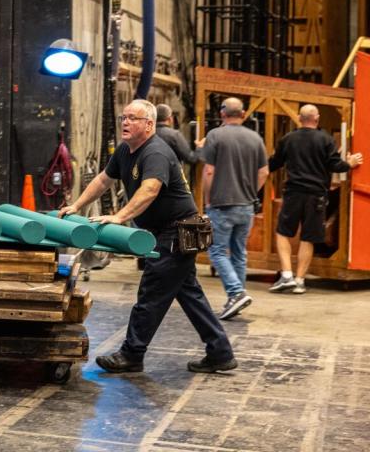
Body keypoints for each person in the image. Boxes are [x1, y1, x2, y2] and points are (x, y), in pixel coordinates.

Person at [59, 99, 236, 374]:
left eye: (133, 118)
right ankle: (221, 352)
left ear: (149, 124)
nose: (126, 122)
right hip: (168, 231)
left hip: (177, 233)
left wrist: (119, 217)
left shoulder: (155, 152)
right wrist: (77, 205)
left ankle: (131, 354)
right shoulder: (125, 150)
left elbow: (150, 189)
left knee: (151, 293)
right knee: (189, 295)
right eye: (124, 117)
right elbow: (103, 180)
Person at [267, 104, 363, 294]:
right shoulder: (325, 139)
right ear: (317, 119)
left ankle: (286, 275)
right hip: (317, 195)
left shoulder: (288, 139)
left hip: (293, 192)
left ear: (299, 119)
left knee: (283, 232)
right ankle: (300, 281)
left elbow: (274, 163)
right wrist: (350, 164)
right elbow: (336, 166)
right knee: (308, 237)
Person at [198, 97, 268, 320]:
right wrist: (251, 192)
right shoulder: (255, 138)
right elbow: (264, 173)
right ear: (244, 113)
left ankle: (236, 292)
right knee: (239, 253)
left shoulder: (215, 136)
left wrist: (207, 199)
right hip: (246, 206)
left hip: (222, 204)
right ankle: (237, 297)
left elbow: (209, 171)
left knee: (216, 251)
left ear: (222, 114)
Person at [155, 104, 198, 168]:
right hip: (171, 175)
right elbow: (191, 159)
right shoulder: (174, 135)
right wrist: (200, 148)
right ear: (170, 119)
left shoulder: (147, 133)